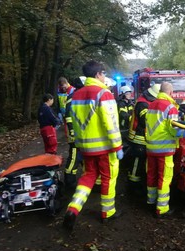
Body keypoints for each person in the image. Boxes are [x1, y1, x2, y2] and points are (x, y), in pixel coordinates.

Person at [63, 60, 123, 231]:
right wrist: (118, 147)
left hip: (86, 148)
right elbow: (110, 124)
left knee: (88, 177)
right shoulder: (104, 94)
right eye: (103, 73)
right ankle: (108, 212)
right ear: (98, 74)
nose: (105, 77)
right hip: (105, 148)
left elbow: (74, 121)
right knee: (108, 178)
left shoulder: (76, 95)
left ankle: (73, 209)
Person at [145, 82, 185, 218]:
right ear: (171, 93)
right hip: (164, 149)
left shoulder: (151, 105)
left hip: (150, 147)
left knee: (151, 175)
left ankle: (151, 201)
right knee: (164, 178)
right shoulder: (171, 107)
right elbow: (174, 130)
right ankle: (162, 208)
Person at [126, 84, 160, 189]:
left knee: (141, 162)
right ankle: (133, 185)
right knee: (137, 161)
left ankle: (138, 182)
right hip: (138, 138)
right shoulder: (143, 104)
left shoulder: (146, 101)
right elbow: (145, 120)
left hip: (143, 137)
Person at [63, 77, 85, 191]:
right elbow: (69, 117)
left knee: (82, 158)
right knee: (74, 159)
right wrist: (73, 132)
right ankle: (70, 182)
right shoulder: (73, 97)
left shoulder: (78, 96)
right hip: (75, 136)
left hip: (82, 136)